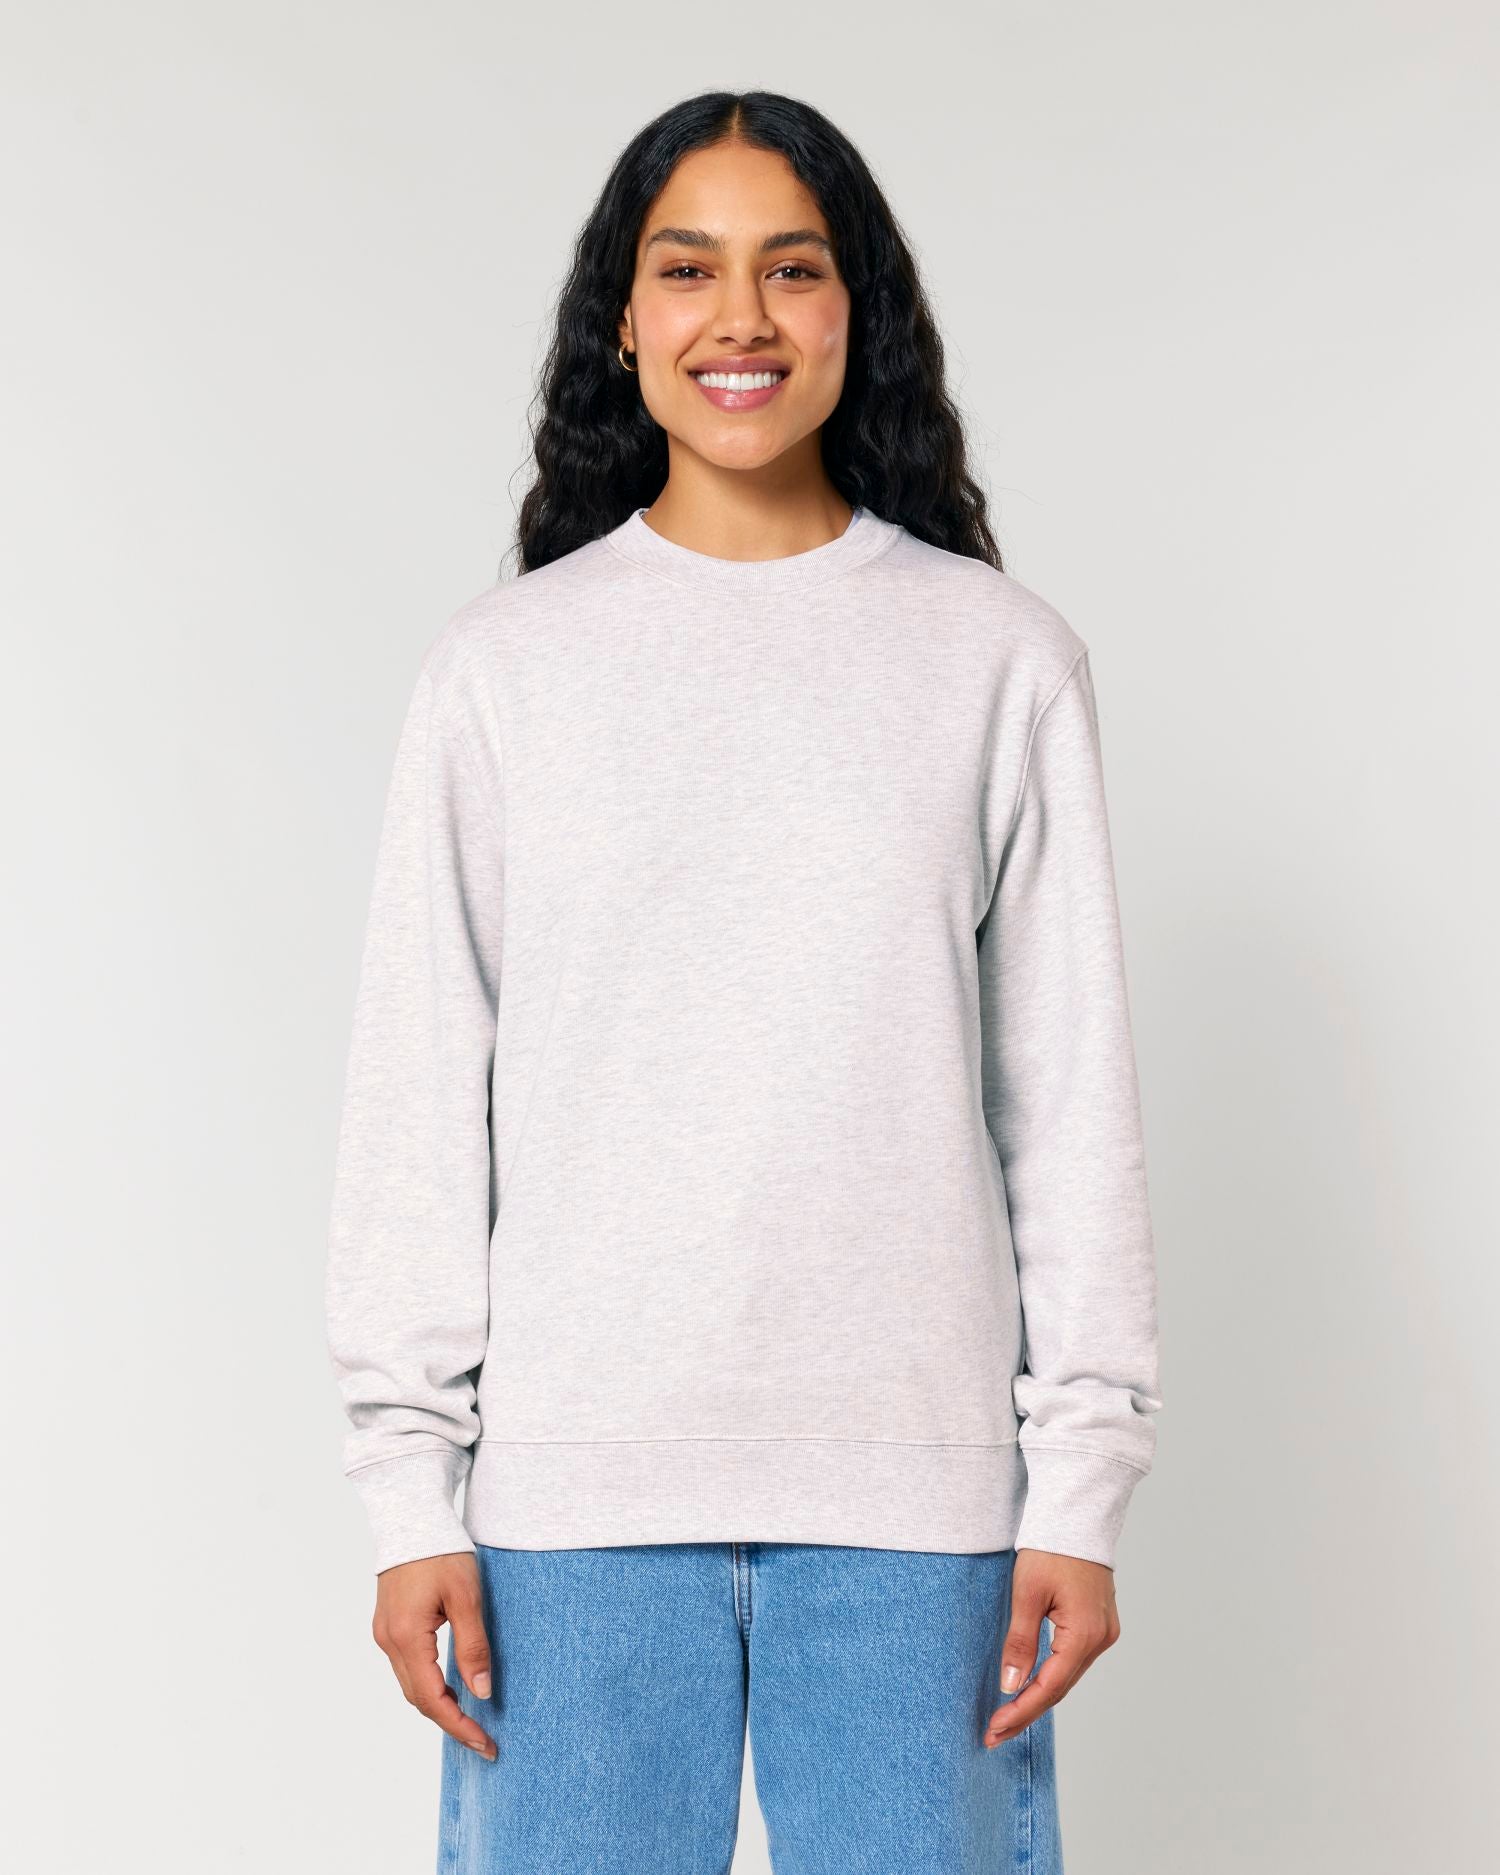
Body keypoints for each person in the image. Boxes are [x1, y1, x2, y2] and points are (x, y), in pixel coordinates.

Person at [325, 87, 1162, 1875]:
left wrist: (1080, 1487)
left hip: (920, 1510)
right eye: (688, 268)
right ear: (624, 320)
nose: (742, 317)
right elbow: (419, 1099)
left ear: (859, 310)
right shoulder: (504, 673)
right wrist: (411, 1495)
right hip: (571, 1513)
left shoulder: (998, 662)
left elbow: (1069, 1104)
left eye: (792, 268)